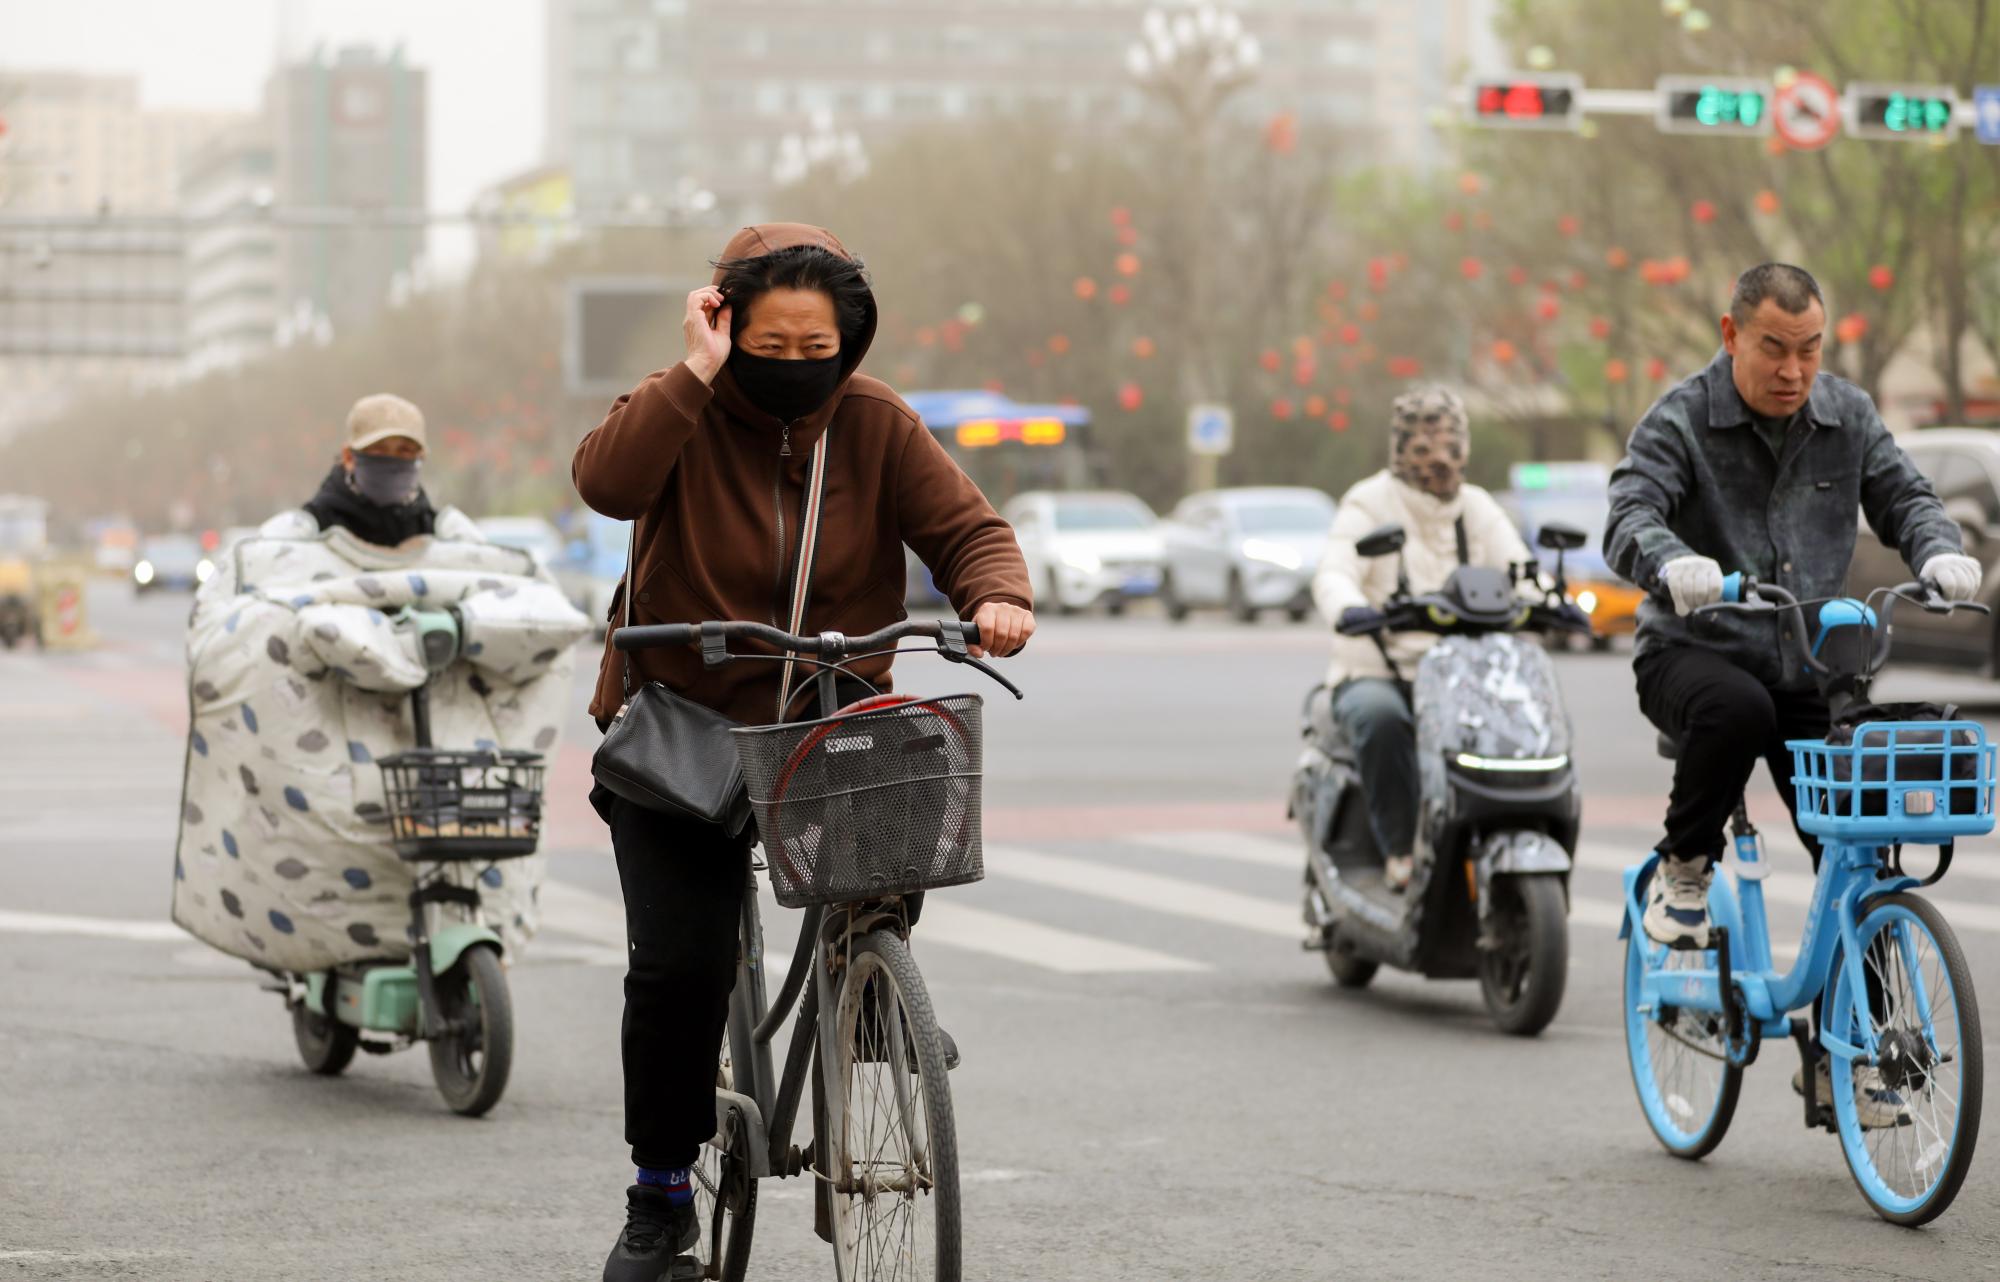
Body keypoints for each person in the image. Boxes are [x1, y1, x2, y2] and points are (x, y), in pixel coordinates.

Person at [573, 223, 1035, 1280]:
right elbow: (606, 484)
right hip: (681, 725)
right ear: (724, 326)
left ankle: (867, 984)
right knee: (680, 969)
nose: (793, 366)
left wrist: (998, 595)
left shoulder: (876, 423)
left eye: (813, 348)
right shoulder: (677, 408)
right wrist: (693, 371)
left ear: (849, 340)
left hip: (829, 712)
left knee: (908, 777)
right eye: (767, 346)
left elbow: (968, 532)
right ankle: (660, 1199)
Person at [1605, 262, 1976, 1125]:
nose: (1793, 369)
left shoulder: (1848, 414)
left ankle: (1865, 1060)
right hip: (1692, 653)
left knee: (1857, 852)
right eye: (1774, 347)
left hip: (1811, 662)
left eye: (1810, 349)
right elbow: (1628, 515)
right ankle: (1683, 869)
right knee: (1740, 710)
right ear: (1731, 333)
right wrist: (1673, 562)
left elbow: (1906, 495)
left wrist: (1937, 549)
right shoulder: (1681, 418)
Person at [1311, 385, 1530, 891]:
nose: (1440, 460)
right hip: (1379, 670)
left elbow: (1520, 567)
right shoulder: (1369, 503)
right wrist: (1346, 605)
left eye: (1452, 446)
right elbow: (1335, 568)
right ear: (1400, 450)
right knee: (1381, 719)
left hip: (1463, 674)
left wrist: (1548, 600)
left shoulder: (1477, 508)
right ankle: (1400, 851)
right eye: (1424, 448)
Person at [264, 392, 480, 546]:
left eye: (405, 451)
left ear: (420, 457)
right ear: (349, 457)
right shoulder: (308, 532)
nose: (392, 461)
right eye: (378, 450)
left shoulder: (442, 533)